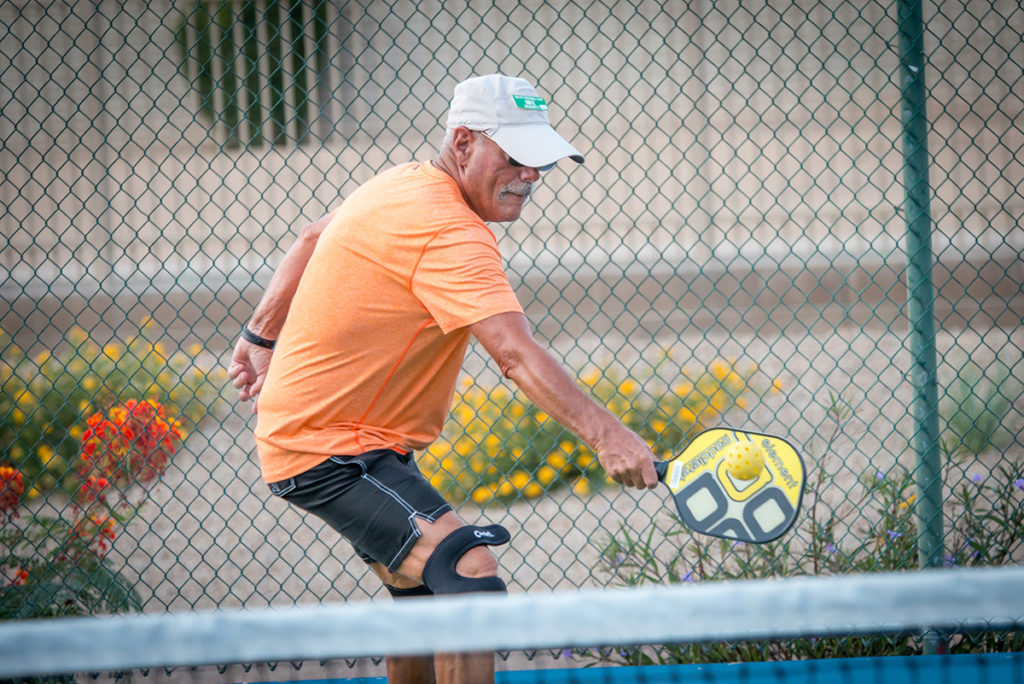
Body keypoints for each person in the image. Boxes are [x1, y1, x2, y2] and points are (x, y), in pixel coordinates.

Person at [228, 74, 658, 684]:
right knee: (469, 575)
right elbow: (513, 352)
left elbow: (313, 235)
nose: (531, 175)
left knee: (423, 600)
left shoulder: (401, 183)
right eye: (516, 158)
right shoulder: (452, 232)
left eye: (541, 161)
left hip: (350, 440)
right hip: (328, 448)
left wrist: (258, 338)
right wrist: (607, 435)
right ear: (463, 143)